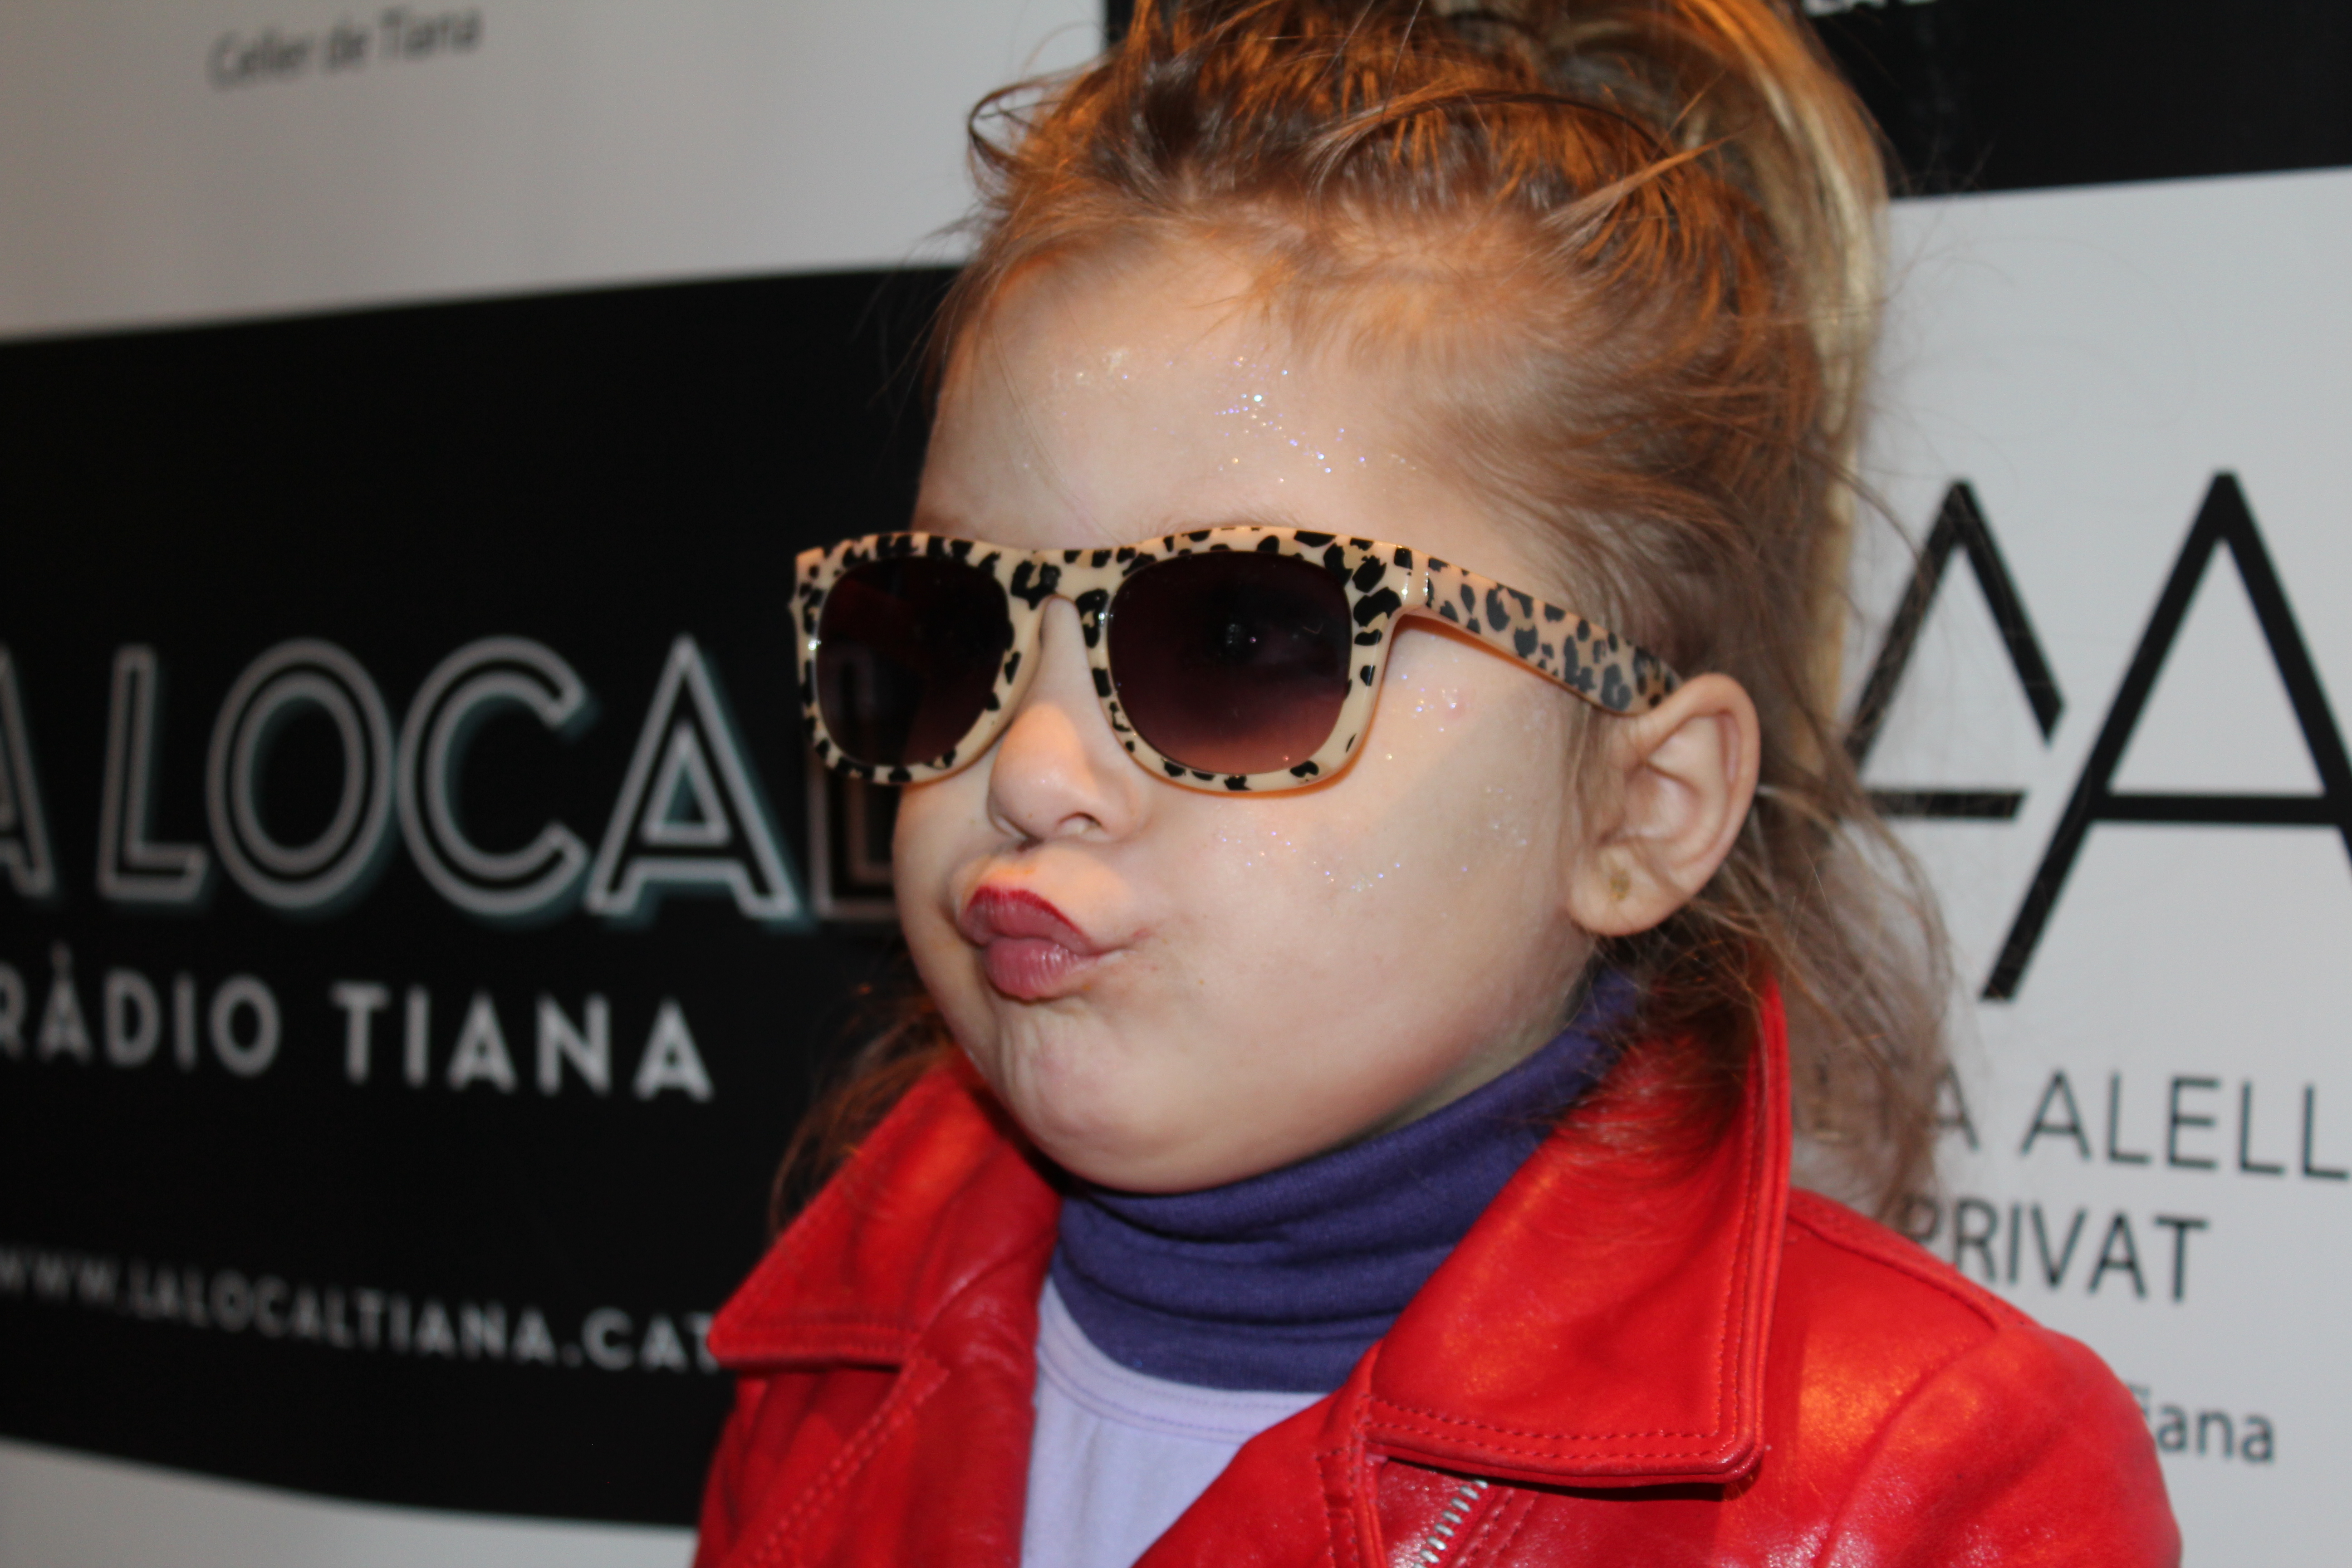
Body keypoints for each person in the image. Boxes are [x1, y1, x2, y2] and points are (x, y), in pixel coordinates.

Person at [694, 2, 2178, 1563]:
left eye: (1244, 637)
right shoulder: (821, 1371)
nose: (1033, 766)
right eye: (953, 627)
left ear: (1642, 807)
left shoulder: (1924, 1481)